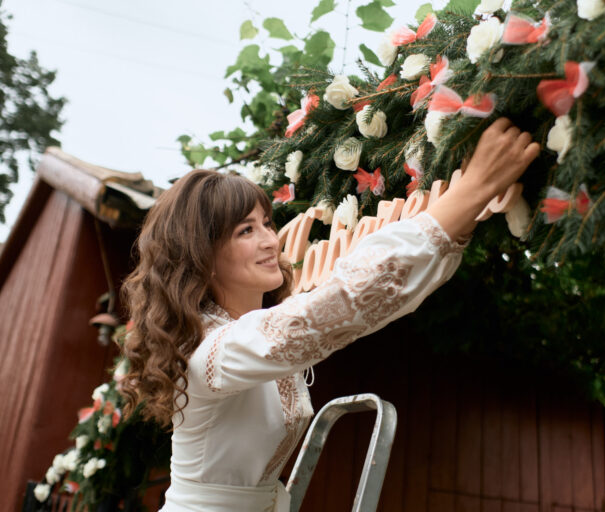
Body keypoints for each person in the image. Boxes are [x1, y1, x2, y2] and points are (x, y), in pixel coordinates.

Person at [120, 117, 540, 511]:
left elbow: (363, 302)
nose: (270, 240)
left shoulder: (244, 330)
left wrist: (462, 215)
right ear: (203, 256)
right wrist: (471, 191)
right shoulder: (212, 350)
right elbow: (343, 303)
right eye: (246, 230)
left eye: (267, 222)